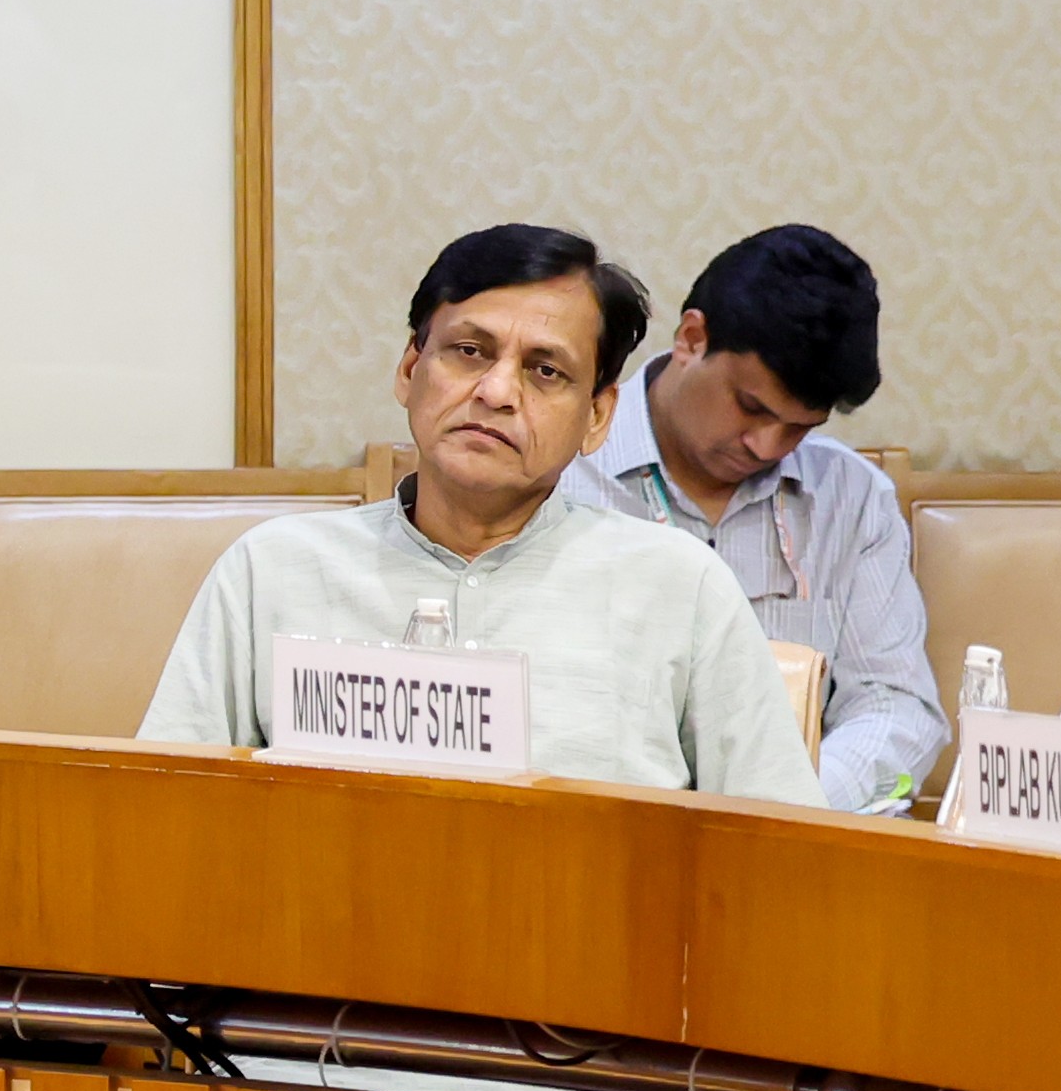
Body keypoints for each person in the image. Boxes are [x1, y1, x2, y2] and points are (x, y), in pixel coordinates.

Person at [138, 224, 815, 803]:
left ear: (597, 417)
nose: (495, 392)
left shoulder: (680, 587)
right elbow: (167, 811)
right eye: (470, 351)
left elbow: (782, 841)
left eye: (545, 371)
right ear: (411, 368)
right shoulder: (273, 569)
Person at [556, 224, 945, 811]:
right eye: (752, 407)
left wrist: (787, 807)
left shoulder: (851, 498)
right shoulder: (559, 470)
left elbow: (895, 707)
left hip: (795, 846)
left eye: (799, 427)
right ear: (691, 338)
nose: (767, 446)